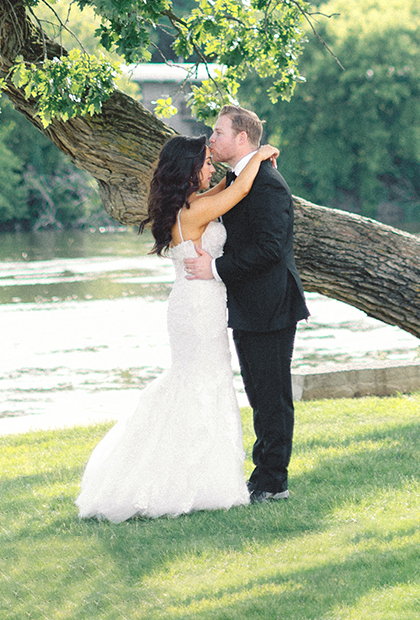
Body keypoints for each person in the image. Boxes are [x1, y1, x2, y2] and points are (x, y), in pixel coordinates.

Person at [76, 130, 279, 523]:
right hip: (198, 308)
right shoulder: (193, 212)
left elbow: (227, 185)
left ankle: (204, 477)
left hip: (198, 304)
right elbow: (235, 194)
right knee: (201, 383)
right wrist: (261, 154)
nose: (211, 166)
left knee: (201, 381)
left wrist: (242, 165)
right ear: (188, 170)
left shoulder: (192, 203)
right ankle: (190, 481)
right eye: (205, 161)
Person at [185, 103, 309, 502]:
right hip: (247, 306)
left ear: (241, 138)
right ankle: (262, 475)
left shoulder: (268, 184)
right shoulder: (238, 179)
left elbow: (271, 248)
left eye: (218, 133)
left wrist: (216, 269)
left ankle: (275, 482)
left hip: (271, 305)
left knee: (272, 396)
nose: (212, 139)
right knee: (258, 394)